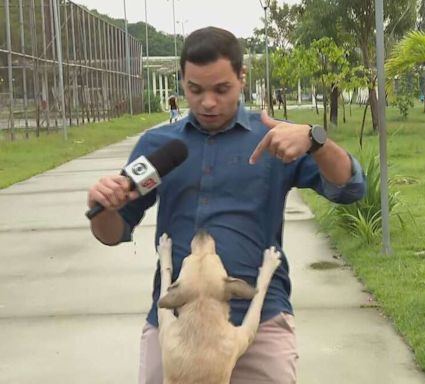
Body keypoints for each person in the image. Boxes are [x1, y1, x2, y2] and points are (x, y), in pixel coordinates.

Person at [87, 26, 366, 384]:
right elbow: (112, 233)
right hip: (175, 328)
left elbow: (350, 189)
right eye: (195, 90)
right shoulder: (158, 147)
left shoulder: (273, 138)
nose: (207, 103)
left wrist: (317, 141)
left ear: (241, 78)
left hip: (259, 319)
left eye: (222, 89)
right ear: (182, 82)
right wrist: (104, 206)